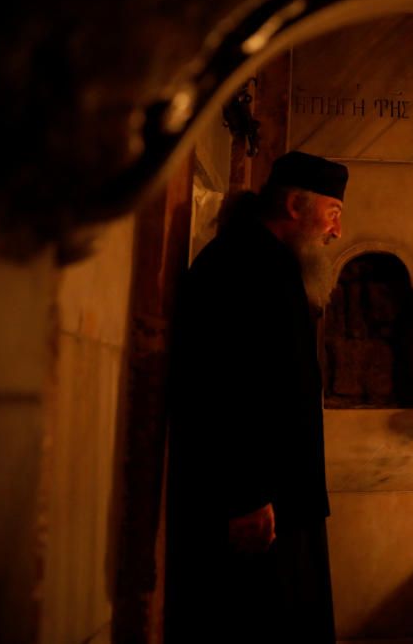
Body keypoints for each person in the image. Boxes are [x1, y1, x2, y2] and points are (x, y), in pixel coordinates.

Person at [165, 151, 347, 643]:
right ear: (294, 205)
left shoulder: (269, 263)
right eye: (333, 213)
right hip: (256, 505)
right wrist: (245, 494)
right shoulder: (243, 264)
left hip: (279, 498)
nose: (336, 232)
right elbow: (220, 383)